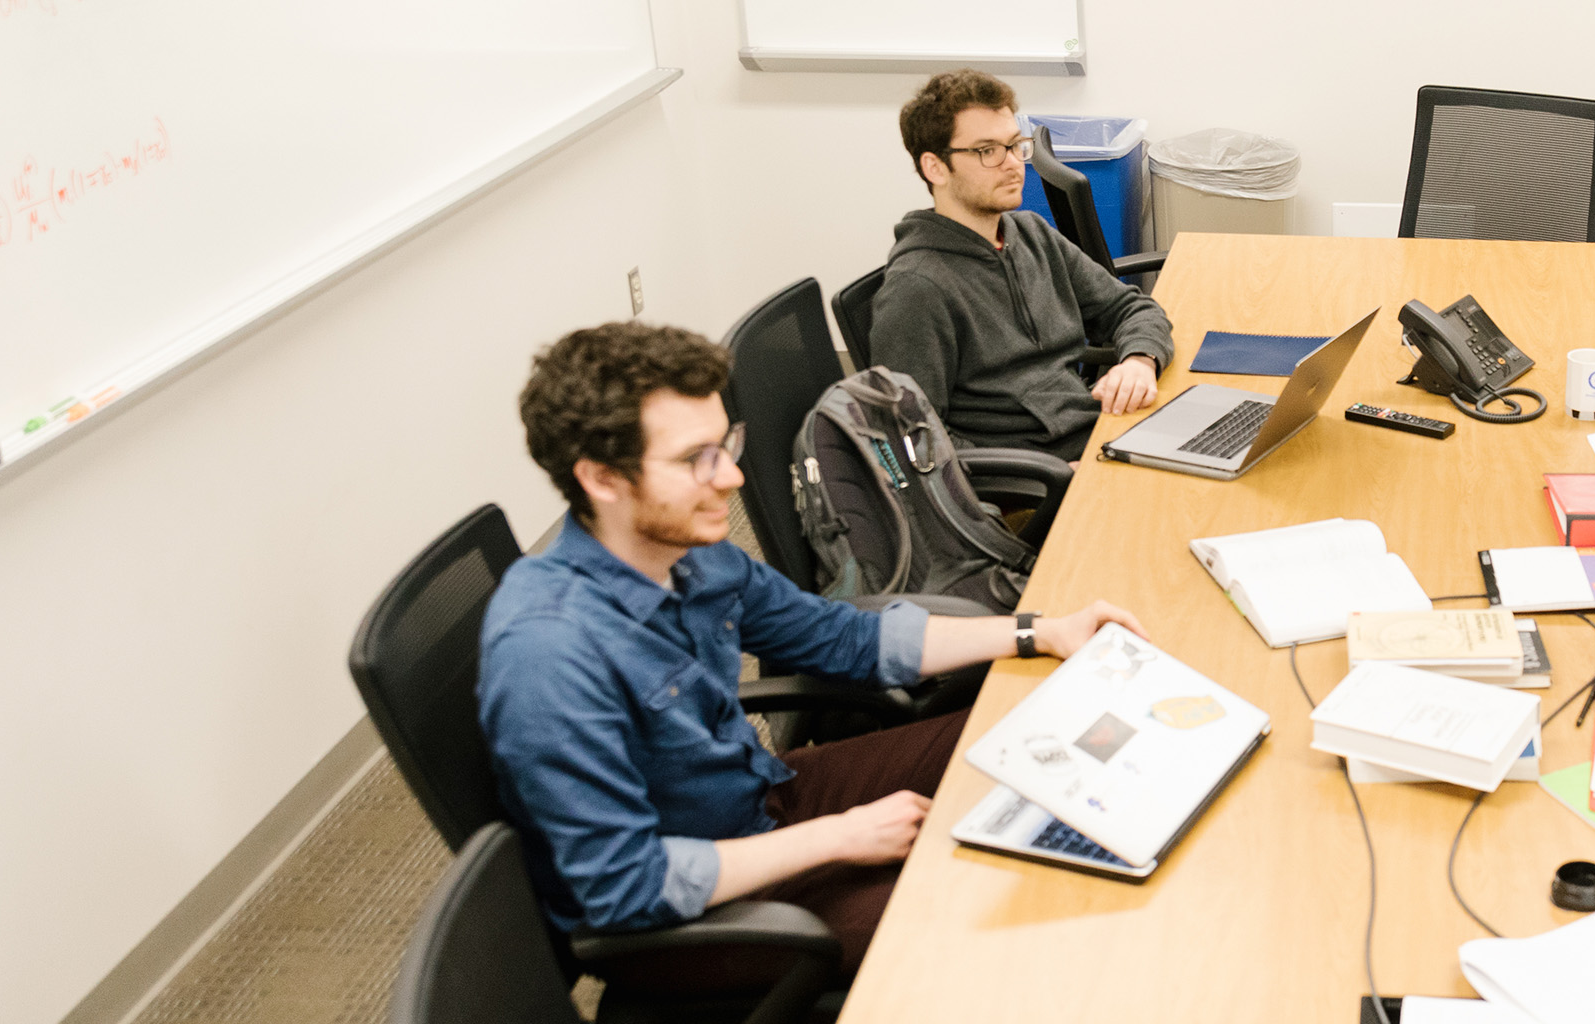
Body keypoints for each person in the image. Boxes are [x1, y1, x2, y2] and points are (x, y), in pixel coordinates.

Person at [482, 321, 1146, 974]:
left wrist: (1038, 631)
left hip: (760, 800)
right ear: (601, 479)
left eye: (726, 445)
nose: (732, 480)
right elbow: (625, 887)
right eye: (695, 460)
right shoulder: (547, 654)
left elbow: (845, 636)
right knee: (993, 919)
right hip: (695, 912)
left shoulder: (689, 553)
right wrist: (842, 836)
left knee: (1039, 719)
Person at [872, 68, 1174, 463]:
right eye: (987, 151)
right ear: (935, 168)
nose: (1013, 164)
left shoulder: (1029, 233)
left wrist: (1139, 360)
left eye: (1015, 145)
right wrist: (1052, 472)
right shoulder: (917, 289)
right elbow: (915, 441)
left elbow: (1130, 308)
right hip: (1034, 474)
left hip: (1092, 426)